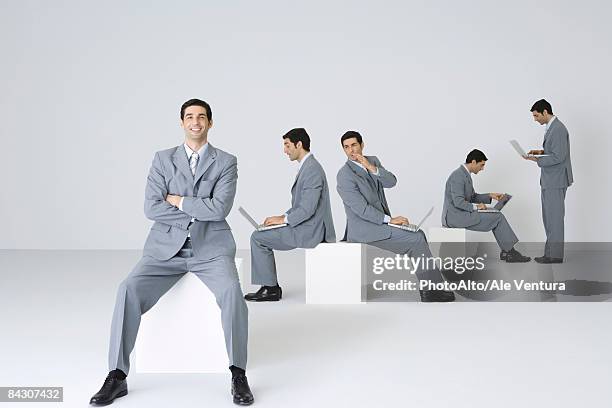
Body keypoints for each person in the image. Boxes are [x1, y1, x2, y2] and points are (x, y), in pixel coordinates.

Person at [89, 99, 254, 406]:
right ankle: (116, 375)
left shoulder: (226, 161)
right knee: (127, 289)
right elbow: (151, 206)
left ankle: (238, 373)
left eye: (201, 117)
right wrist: (196, 210)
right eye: (189, 117)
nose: (196, 121)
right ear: (181, 122)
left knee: (232, 292)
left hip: (212, 248)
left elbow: (220, 209)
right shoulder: (163, 159)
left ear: (210, 123)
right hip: (165, 248)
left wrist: (177, 201)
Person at [336, 131, 455, 302]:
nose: (351, 150)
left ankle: (431, 285)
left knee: (419, 234)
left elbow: (391, 182)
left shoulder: (373, 161)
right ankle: (431, 291)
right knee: (415, 239)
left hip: (379, 222)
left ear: (362, 145)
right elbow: (361, 209)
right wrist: (390, 220)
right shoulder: (344, 175)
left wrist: (371, 167)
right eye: (346, 147)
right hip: (365, 229)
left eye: (354, 145)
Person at [244, 128, 336, 301]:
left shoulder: (312, 169)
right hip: (307, 224)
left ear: (299, 144)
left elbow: (307, 209)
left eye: (287, 145)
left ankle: (270, 289)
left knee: (258, 238)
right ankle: (270, 287)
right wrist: (280, 218)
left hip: (311, 230)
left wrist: (284, 220)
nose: (284, 150)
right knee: (261, 233)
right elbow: (302, 206)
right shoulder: (308, 167)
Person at [442, 149, 531, 262]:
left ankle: (507, 251)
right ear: (473, 162)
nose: (482, 168)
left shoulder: (464, 175)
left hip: (461, 214)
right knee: (498, 217)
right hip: (455, 217)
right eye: (481, 165)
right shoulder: (458, 176)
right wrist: (477, 207)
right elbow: (458, 202)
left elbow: (472, 197)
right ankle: (509, 252)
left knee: (496, 215)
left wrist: (490, 195)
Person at [524, 99, 573, 263]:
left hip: (556, 180)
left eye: (536, 115)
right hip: (550, 179)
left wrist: (537, 160)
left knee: (554, 218)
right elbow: (555, 151)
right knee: (549, 217)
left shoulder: (558, 129)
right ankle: (551, 253)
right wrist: (541, 152)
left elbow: (559, 156)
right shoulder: (552, 127)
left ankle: (555, 255)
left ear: (545, 112)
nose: (535, 119)